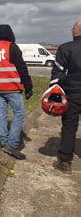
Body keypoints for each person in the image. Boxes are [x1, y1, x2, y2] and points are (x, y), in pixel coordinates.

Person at [0, 24, 33, 160]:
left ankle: (4, 142)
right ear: (10, 34)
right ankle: (12, 144)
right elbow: (22, 68)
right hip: (12, 88)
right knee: (19, 113)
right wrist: (28, 87)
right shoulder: (12, 47)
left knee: (2, 114)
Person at [51, 21, 81, 174]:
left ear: (75, 32)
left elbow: (57, 74)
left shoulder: (66, 48)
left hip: (73, 94)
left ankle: (65, 161)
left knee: (69, 126)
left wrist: (56, 91)